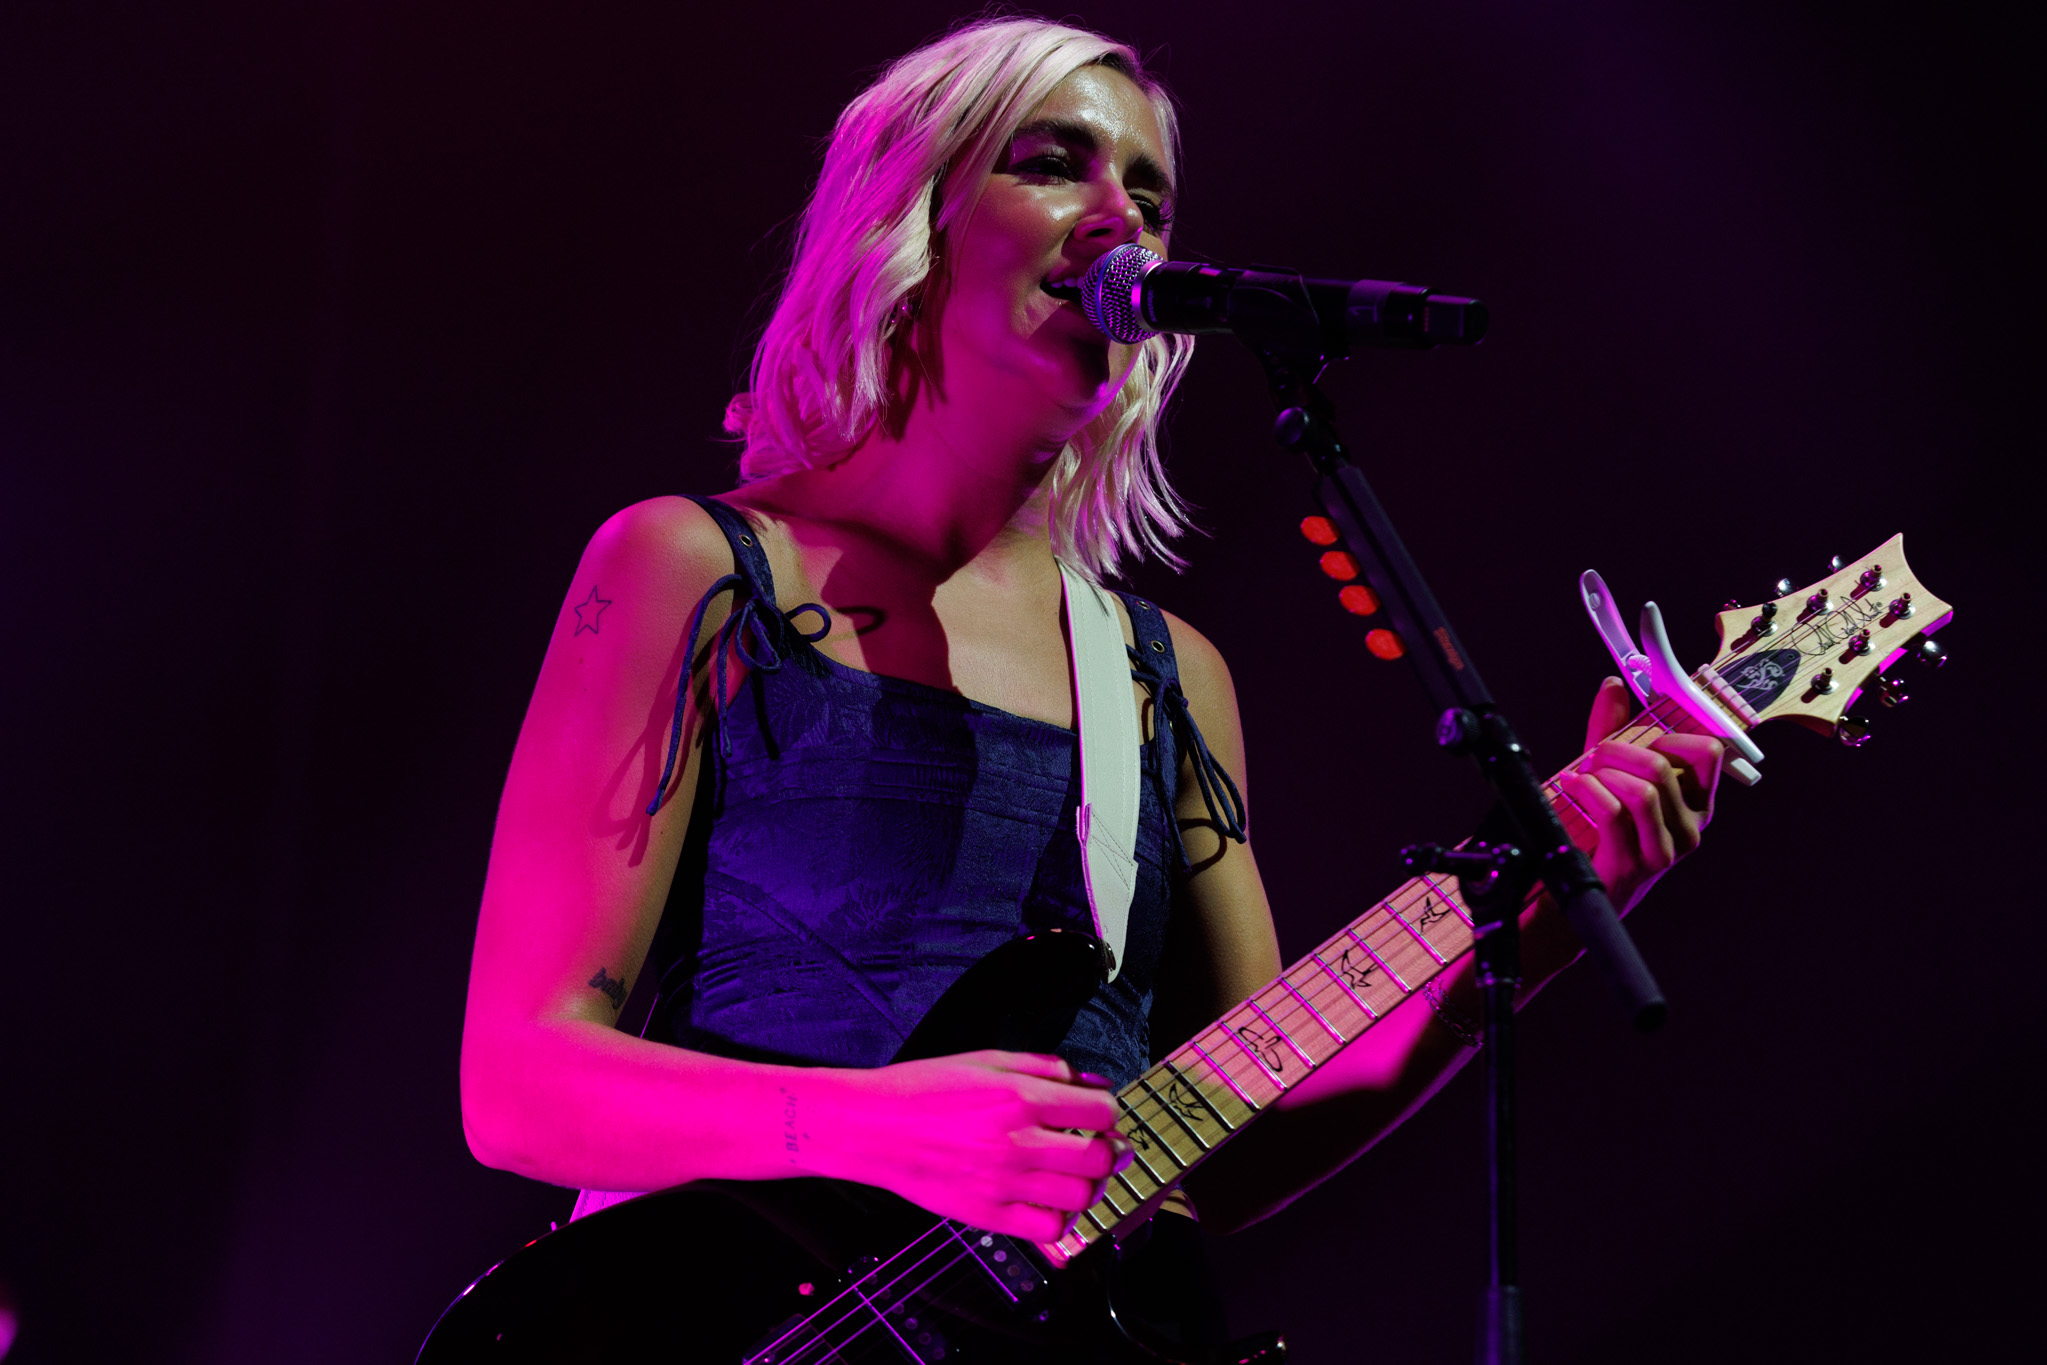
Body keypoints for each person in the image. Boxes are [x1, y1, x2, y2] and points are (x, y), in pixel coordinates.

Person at [457, 11, 1721, 1338]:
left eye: (1152, 197)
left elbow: (1226, 1145)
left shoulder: (1163, 677)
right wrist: (884, 1128)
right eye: (1055, 162)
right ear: (914, 212)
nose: (1122, 218)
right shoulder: (694, 570)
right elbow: (517, 1085)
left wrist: (1544, 919)